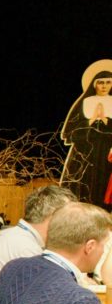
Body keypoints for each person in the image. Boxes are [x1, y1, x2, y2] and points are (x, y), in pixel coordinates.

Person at [62, 66, 112, 207]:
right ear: (94, 84)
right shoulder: (85, 102)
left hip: (108, 151)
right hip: (85, 150)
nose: (104, 86)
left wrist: (106, 120)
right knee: (84, 182)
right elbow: (72, 130)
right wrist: (91, 120)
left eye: (108, 82)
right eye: (100, 82)